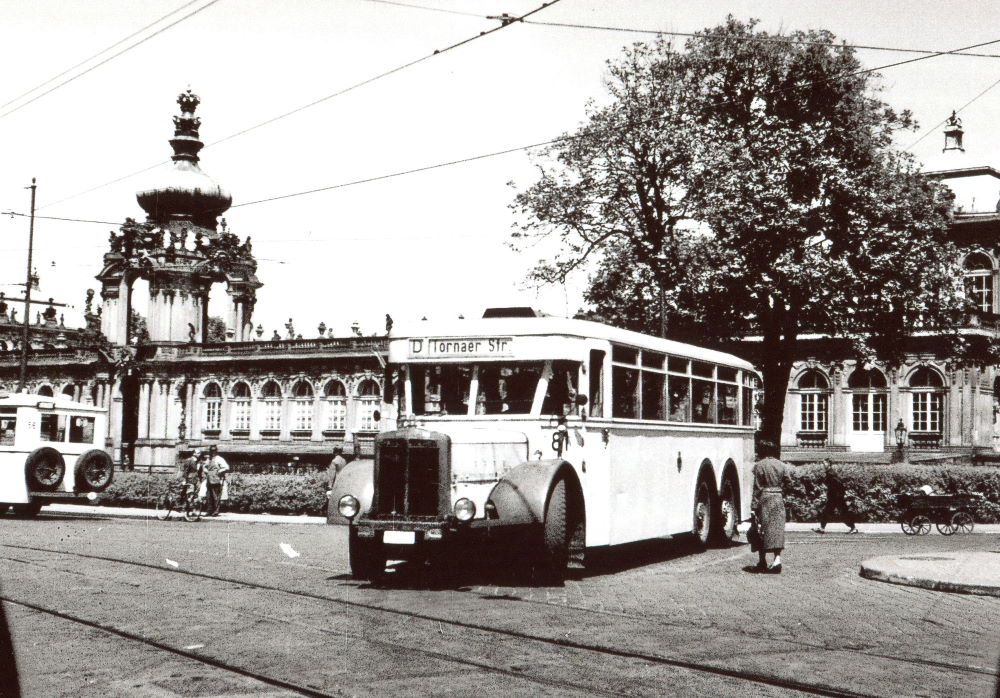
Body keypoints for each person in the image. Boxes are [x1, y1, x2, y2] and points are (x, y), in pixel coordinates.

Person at [750, 442, 788, 574]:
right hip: (778, 498)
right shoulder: (782, 466)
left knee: (761, 529)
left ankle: (762, 560)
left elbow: (757, 487)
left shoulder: (759, 466)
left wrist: (753, 506)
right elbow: (789, 483)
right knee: (777, 529)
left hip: (764, 498)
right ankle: (777, 559)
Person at [813, 459, 859, 534]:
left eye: (825, 463)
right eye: (823, 463)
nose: (823, 464)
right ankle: (822, 528)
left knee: (843, 513)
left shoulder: (831, 473)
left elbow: (839, 484)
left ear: (829, 464)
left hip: (837, 498)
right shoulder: (829, 472)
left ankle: (853, 528)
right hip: (833, 497)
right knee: (826, 511)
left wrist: (840, 494)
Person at [204, 445, 230, 516]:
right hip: (209, 479)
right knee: (209, 496)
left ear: (216, 451)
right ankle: (209, 510)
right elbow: (205, 467)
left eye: (214, 451)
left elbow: (226, 467)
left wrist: (219, 471)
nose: (212, 452)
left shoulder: (219, 459)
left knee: (216, 496)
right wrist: (206, 470)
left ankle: (216, 511)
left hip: (216, 479)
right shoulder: (208, 459)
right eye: (211, 451)